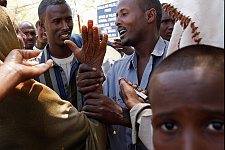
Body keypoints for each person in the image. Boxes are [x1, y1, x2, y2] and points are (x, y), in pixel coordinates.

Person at [119, 0, 224, 149]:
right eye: (169, 126)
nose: (189, 146)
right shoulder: (117, 69)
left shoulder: (173, 61)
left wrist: (131, 112)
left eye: (217, 126)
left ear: (150, 16)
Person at [0, 6, 107, 150]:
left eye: (68, 19)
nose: (24, 37)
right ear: (43, 26)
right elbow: (91, 135)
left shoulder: (20, 74)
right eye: (16, 30)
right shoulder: (26, 80)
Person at [75, 0, 168, 149]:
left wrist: (124, 116)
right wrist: (91, 78)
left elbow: (183, 128)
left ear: (150, 16)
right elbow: (97, 110)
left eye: (124, 14)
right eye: (116, 16)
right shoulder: (117, 69)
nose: (117, 22)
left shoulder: (177, 60)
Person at [36, 0, 84, 110]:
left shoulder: (86, 60)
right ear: (42, 26)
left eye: (68, 19)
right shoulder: (36, 69)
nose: (65, 27)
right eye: (57, 21)